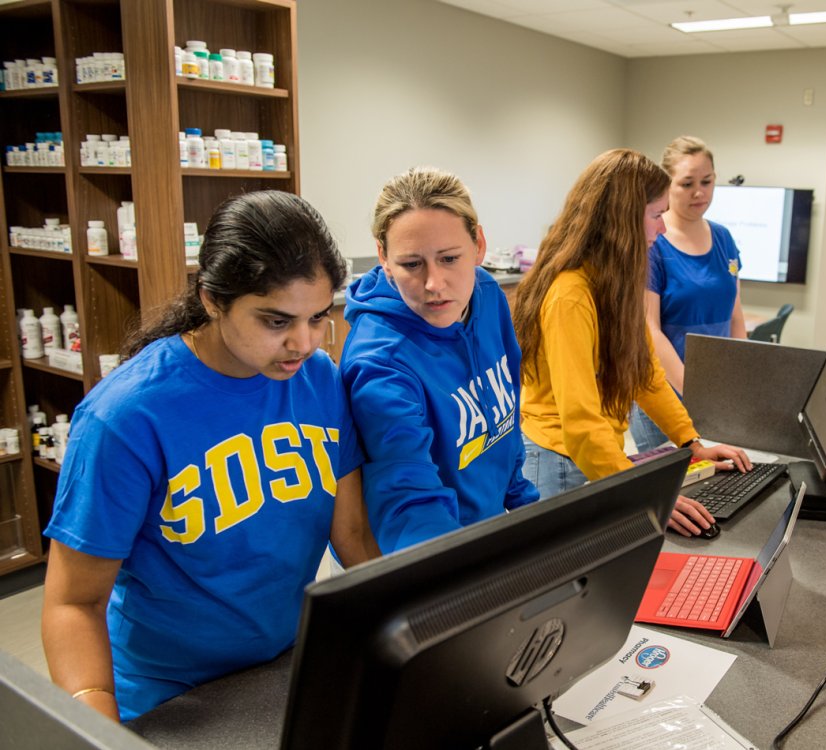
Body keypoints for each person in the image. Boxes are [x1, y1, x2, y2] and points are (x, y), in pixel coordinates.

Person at [41, 191, 376, 723]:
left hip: (283, 669)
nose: (304, 342)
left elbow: (352, 535)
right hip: (170, 698)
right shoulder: (126, 417)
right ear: (213, 300)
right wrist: (96, 727)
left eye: (318, 317)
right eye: (275, 321)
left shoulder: (319, 381)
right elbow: (73, 604)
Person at [513, 148, 752, 537]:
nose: (661, 228)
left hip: (592, 451)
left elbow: (646, 375)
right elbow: (580, 422)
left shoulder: (615, 281)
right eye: (656, 215)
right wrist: (647, 495)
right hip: (557, 460)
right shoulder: (571, 295)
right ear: (623, 219)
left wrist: (691, 443)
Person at [340, 167, 539, 554]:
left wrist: (523, 505)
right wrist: (454, 575)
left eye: (449, 259)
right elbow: (408, 494)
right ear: (383, 257)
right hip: (423, 557)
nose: (434, 284)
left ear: (478, 244)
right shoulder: (380, 362)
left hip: (484, 531)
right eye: (411, 264)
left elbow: (506, 420)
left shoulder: (485, 293)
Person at [630, 135, 747, 453]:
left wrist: (739, 382)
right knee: (673, 496)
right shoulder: (654, 241)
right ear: (666, 186)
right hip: (665, 395)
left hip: (715, 396)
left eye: (707, 181)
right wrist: (695, 394)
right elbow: (649, 331)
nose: (699, 192)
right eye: (686, 184)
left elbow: (735, 318)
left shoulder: (724, 238)